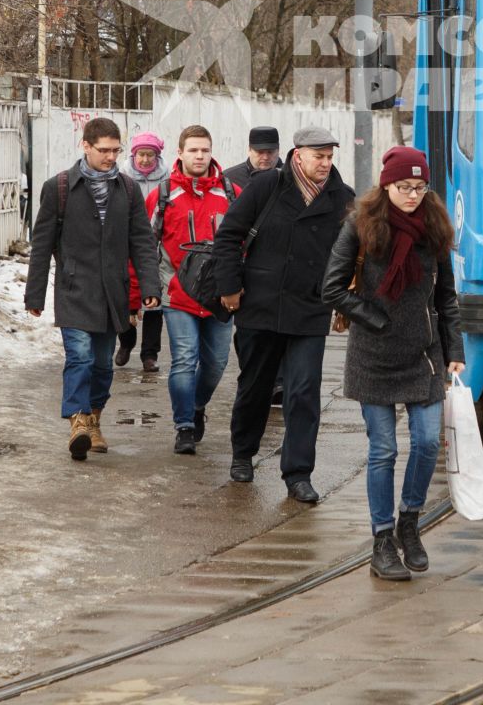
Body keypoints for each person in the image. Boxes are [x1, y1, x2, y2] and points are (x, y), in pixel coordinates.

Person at [322, 146, 463, 582]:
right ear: (387, 184)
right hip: (374, 355)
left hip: (423, 355)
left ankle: (410, 521)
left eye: (420, 188)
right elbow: (331, 289)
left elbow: (446, 297)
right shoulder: (360, 226)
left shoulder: (435, 226)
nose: (413, 195)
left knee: (424, 443)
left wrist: (454, 351)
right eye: (405, 187)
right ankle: (382, 539)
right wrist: (374, 318)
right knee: (383, 450)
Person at [208, 126, 354, 503]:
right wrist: (229, 287)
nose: (325, 163)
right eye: (318, 156)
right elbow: (228, 237)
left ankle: (298, 473)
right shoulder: (266, 187)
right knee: (255, 385)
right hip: (259, 304)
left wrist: (346, 299)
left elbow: (355, 254)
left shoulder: (343, 199)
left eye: (329, 156)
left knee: (303, 392)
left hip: (309, 308)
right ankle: (243, 453)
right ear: (298, 155)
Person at [26, 117, 161, 461]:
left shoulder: (128, 189)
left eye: (116, 150)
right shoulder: (58, 188)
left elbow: (142, 242)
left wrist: (149, 285)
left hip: (112, 292)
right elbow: (41, 245)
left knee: (102, 364)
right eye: (104, 150)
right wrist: (35, 295)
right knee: (80, 356)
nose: (111, 157)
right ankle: (77, 422)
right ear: (85, 146)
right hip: (73, 289)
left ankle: (94, 420)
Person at [159, 124, 234, 455]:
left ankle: (196, 404)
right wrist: (153, 286)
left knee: (216, 363)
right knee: (184, 359)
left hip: (221, 295)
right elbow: (146, 244)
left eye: (205, 150)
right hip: (179, 295)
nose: (200, 156)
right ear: (180, 153)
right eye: (193, 150)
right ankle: (184, 426)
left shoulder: (230, 193)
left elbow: (245, 241)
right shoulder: (164, 193)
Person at [117, 132, 169, 371]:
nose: (145, 159)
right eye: (141, 154)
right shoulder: (121, 177)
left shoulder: (167, 179)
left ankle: (150, 354)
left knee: (154, 302)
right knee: (128, 297)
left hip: (158, 245)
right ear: (133, 155)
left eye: (150, 155)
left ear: (157, 156)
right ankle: (126, 342)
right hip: (128, 242)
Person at [221, 126, 281, 198]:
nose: (265, 157)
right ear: (249, 150)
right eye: (260, 152)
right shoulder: (229, 178)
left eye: (270, 152)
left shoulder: (291, 177)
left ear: (278, 150)